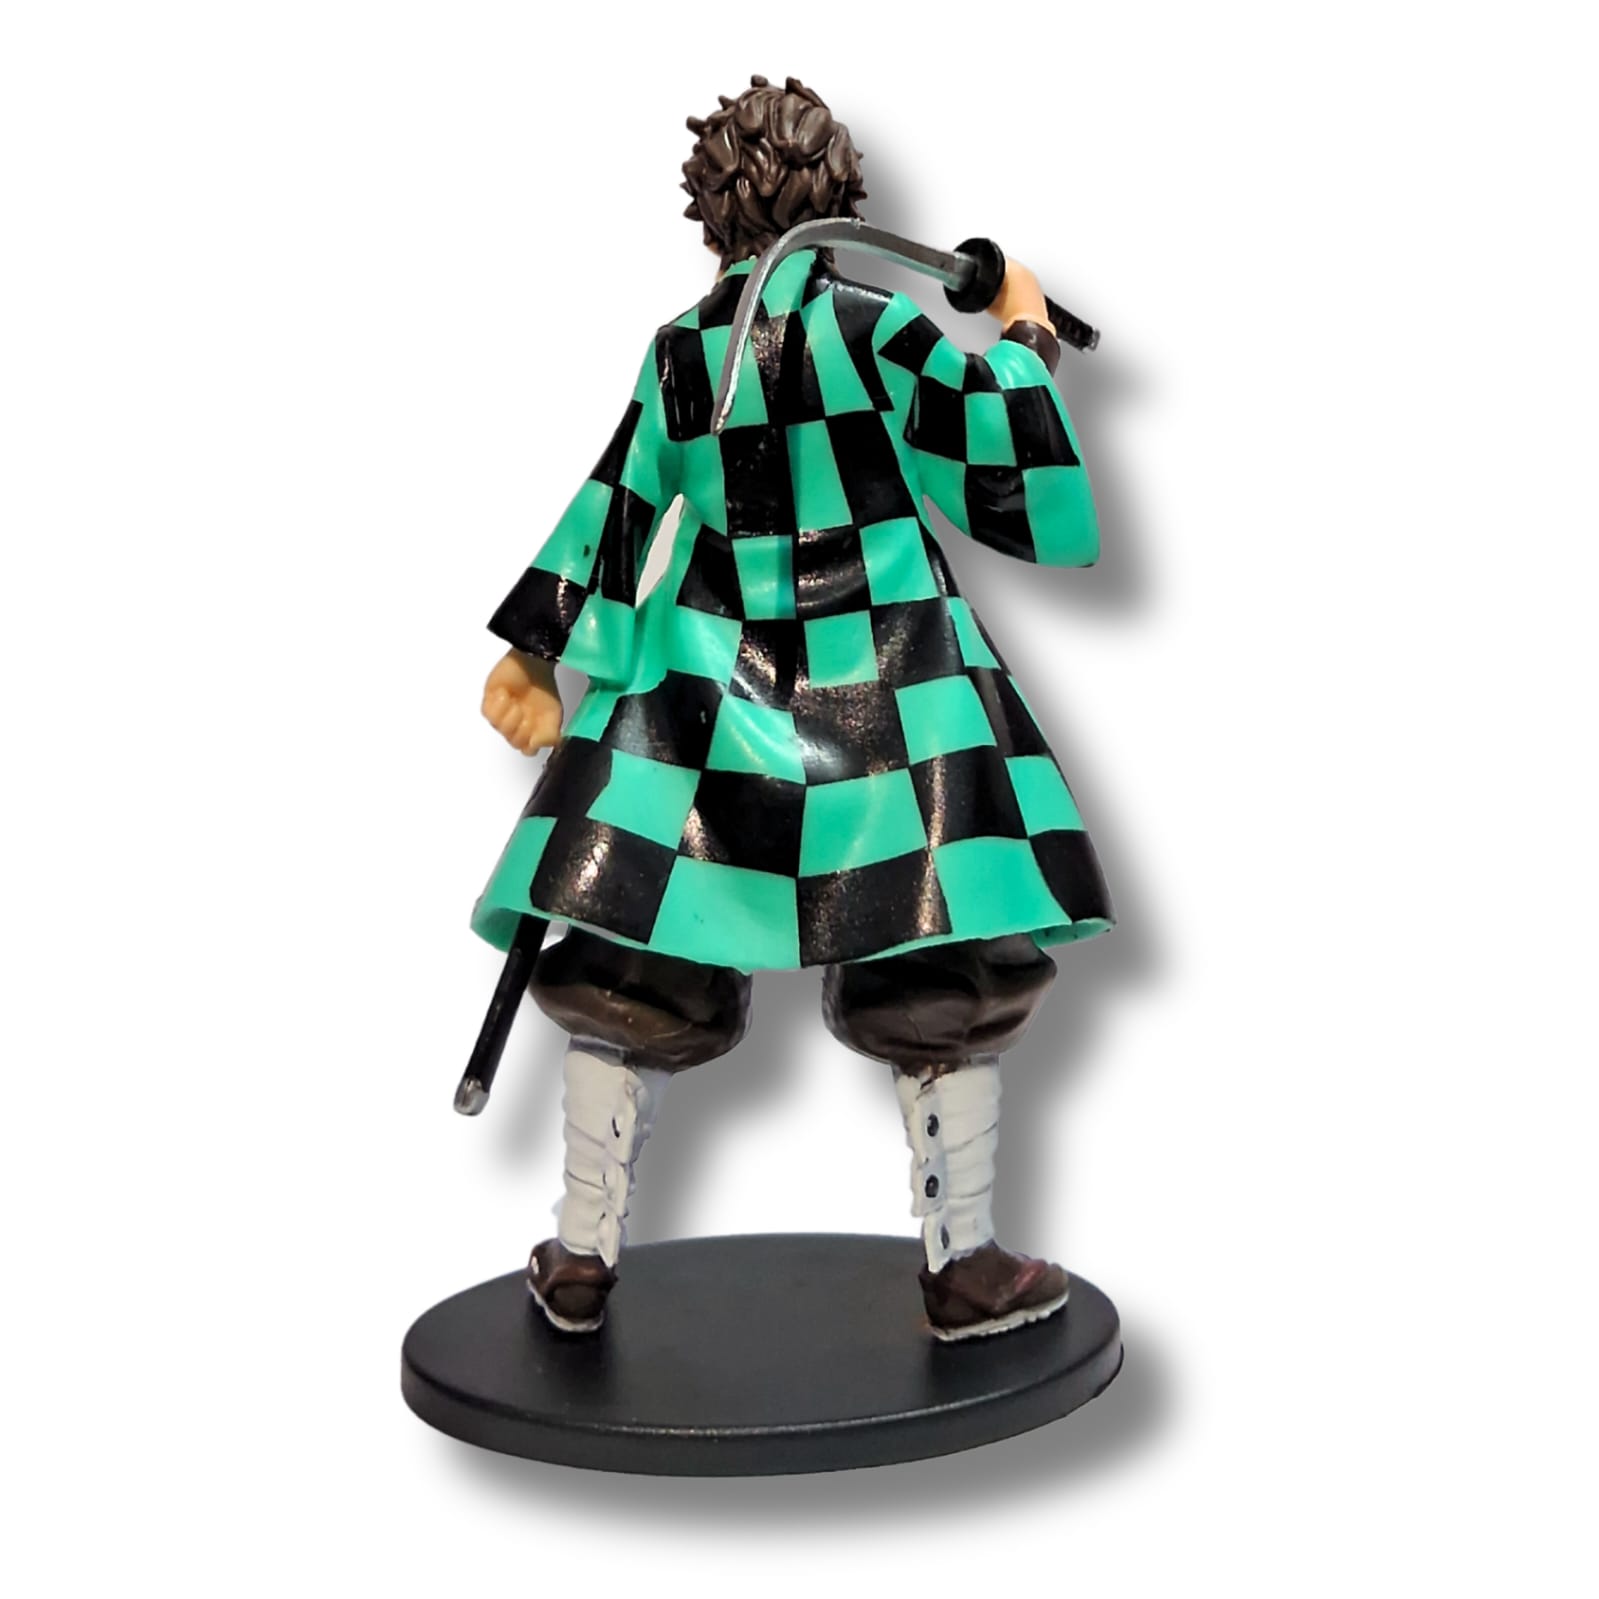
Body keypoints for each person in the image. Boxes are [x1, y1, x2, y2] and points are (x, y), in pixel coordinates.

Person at [474, 75, 1113, 1341]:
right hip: (897, 698)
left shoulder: (685, 349)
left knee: (637, 961)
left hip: (702, 700)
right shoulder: (873, 330)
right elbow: (995, 443)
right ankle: (963, 1265)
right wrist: (1026, 332)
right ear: (843, 194)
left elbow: (616, 504)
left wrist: (538, 652)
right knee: (940, 956)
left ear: (710, 211)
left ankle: (583, 1250)